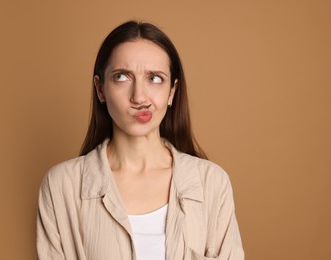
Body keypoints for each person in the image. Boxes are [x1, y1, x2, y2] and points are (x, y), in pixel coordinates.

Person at [37, 20, 244, 260]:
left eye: (155, 78)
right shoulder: (61, 185)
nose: (139, 97)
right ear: (100, 88)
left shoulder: (212, 183)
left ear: (172, 92)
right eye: (122, 77)